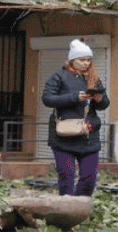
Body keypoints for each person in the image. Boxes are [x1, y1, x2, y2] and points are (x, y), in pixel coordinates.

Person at [42, 39, 110, 196]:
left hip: (88, 134)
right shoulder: (59, 76)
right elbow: (47, 99)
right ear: (72, 60)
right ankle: (66, 210)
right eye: (82, 60)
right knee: (66, 176)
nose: (86, 63)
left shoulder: (93, 78)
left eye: (88, 60)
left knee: (89, 177)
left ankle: (80, 207)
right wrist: (75, 97)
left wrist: (100, 100)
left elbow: (104, 104)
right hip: (64, 135)